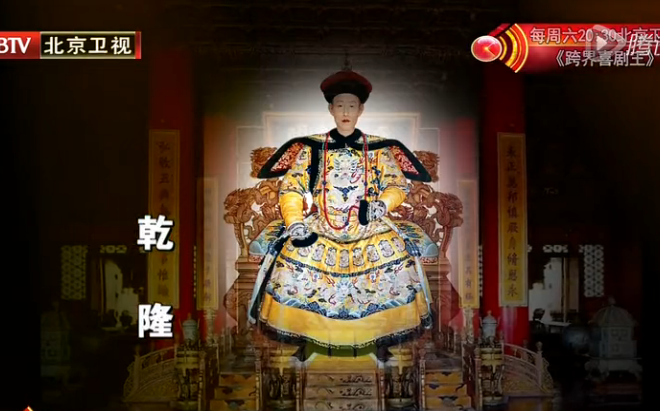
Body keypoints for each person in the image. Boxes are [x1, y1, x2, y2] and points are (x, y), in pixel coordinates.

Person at [248, 67, 434, 362]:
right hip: (322, 224)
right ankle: (307, 336)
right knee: (293, 260)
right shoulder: (312, 148)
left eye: (351, 105)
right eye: (340, 105)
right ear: (330, 109)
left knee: (395, 260)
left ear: (361, 110)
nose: (346, 112)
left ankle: (381, 337)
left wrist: (383, 205)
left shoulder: (378, 148)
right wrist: (295, 222)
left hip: (369, 225)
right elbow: (292, 188)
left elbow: (397, 185)